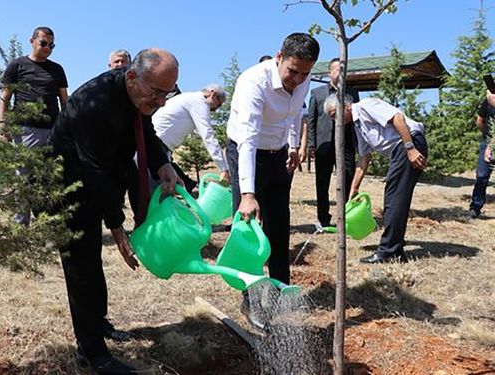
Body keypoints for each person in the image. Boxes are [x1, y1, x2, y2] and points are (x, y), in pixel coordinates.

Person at [50, 48, 180, 375]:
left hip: (99, 177)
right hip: (65, 185)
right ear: (132, 77)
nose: (162, 102)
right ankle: (92, 354)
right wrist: (118, 225)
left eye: (169, 94)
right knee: (82, 267)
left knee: (93, 264)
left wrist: (162, 163)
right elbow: (93, 169)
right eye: (157, 93)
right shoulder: (93, 103)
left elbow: (145, 131)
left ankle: (96, 325)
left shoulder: (138, 94)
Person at [226, 33, 320, 325]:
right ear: (279, 57)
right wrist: (248, 194)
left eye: (305, 74)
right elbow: (248, 141)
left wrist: (293, 145)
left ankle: (280, 291)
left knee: (279, 224)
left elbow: (294, 116)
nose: (298, 80)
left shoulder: (302, 79)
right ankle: (251, 299)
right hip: (246, 152)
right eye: (292, 71)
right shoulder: (253, 83)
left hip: (278, 154)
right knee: (249, 230)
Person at [324, 94, 428, 264]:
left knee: (395, 199)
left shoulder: (366, 106)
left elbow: (398, 118)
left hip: (407, 144)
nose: (336, 120)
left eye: (335, 114)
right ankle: (396, 249)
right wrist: (354, 188)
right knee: (394, 199)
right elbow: (364, 159)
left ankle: (388, 251)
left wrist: (410, 149)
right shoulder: (358, 127)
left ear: (346, 106)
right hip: (400, 150)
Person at [0, 26, 69, 225]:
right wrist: (3, 126)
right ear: (32, 41)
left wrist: (68, 129)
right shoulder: (17, 65)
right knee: (24, 179)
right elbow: (4, 99)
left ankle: (47, 224)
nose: (47, 48)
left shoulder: (57, 69)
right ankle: (21, 225)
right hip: (25, 131)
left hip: (53, 131)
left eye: (51, 45)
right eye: (43, 43)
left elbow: (65, 102)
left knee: (50, 180)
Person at [307, 57, 359, 230]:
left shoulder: (352, 92)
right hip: (324, 145)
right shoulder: (317, 93)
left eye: (344, 69)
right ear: (330, 73)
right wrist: (311, 144)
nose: (342, 72)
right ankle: (322, 218)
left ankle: (344, 218)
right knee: (322, 183)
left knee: (346, 180)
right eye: (338, 69)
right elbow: (312, 120)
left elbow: (357, 120)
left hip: (346, 145)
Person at [152, 84, 230, 185]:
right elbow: (208, 136)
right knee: (159, 187)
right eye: (218, 105)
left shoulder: (190, 99)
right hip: (158, 143)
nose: (215, 110)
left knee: (178, 184)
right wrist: (223, 168)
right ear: (212, 94)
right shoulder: (200, 102)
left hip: (161, 143)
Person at [468, 90, 495, 219]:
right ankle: (475, 207)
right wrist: (487, 136)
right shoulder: (488, 101)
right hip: (488, 142)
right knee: (482, 176)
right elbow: (480, 120)